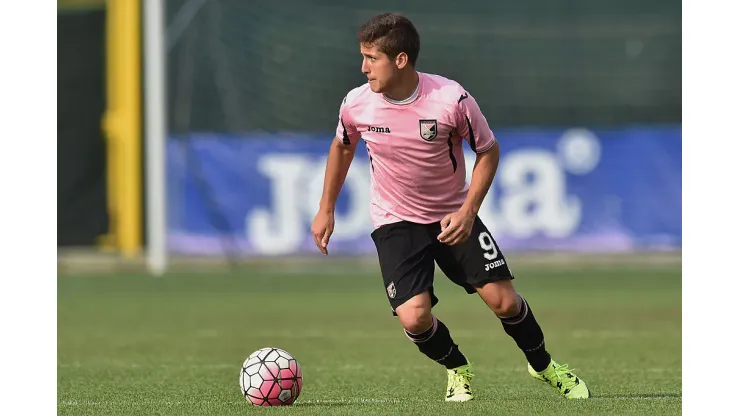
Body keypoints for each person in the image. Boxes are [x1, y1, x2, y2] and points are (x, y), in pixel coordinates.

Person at [311, 12, 590, 402]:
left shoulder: (450, 99)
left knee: (505, 301)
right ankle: (457, 368)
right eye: (363, 57)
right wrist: (326, 207)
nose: (363, 68)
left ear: (401, 60)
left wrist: (469, 210)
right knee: (414, 316)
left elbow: (488, 151)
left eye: (372, 58)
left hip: (453, 214)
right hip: (395, 220)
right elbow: (342, 146)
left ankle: (544, 365)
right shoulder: (356, 104)